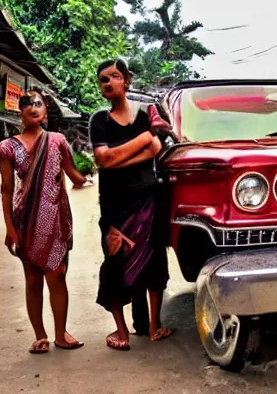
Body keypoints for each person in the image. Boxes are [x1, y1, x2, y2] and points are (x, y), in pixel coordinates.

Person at [89, 58, 171, 351]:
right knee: (115, 266)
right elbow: (103, 158)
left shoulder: (144, 116)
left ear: (126, 79)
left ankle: (153, 326)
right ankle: (122, 333)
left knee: (154, 264)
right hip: (115, 207)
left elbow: (157, 148)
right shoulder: (99, 119)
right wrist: (144, 142)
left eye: (113, 76)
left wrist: (116, 159)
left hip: (147, 200)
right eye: (102, 79)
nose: (107, 82)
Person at [0, 90, 87, 354]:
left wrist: (95, 175)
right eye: (26, 105)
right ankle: (40, 335)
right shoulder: (7, 147)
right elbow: (5, 188)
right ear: (19, 112)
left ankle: (61, 333)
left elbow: (72, 174)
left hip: (56, 218)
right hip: (25, 219)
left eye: (37, 104)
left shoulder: (57, 141)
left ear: (45, 110)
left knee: (57, 276)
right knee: (33, 278)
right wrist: (9, 228)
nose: (32, 108)